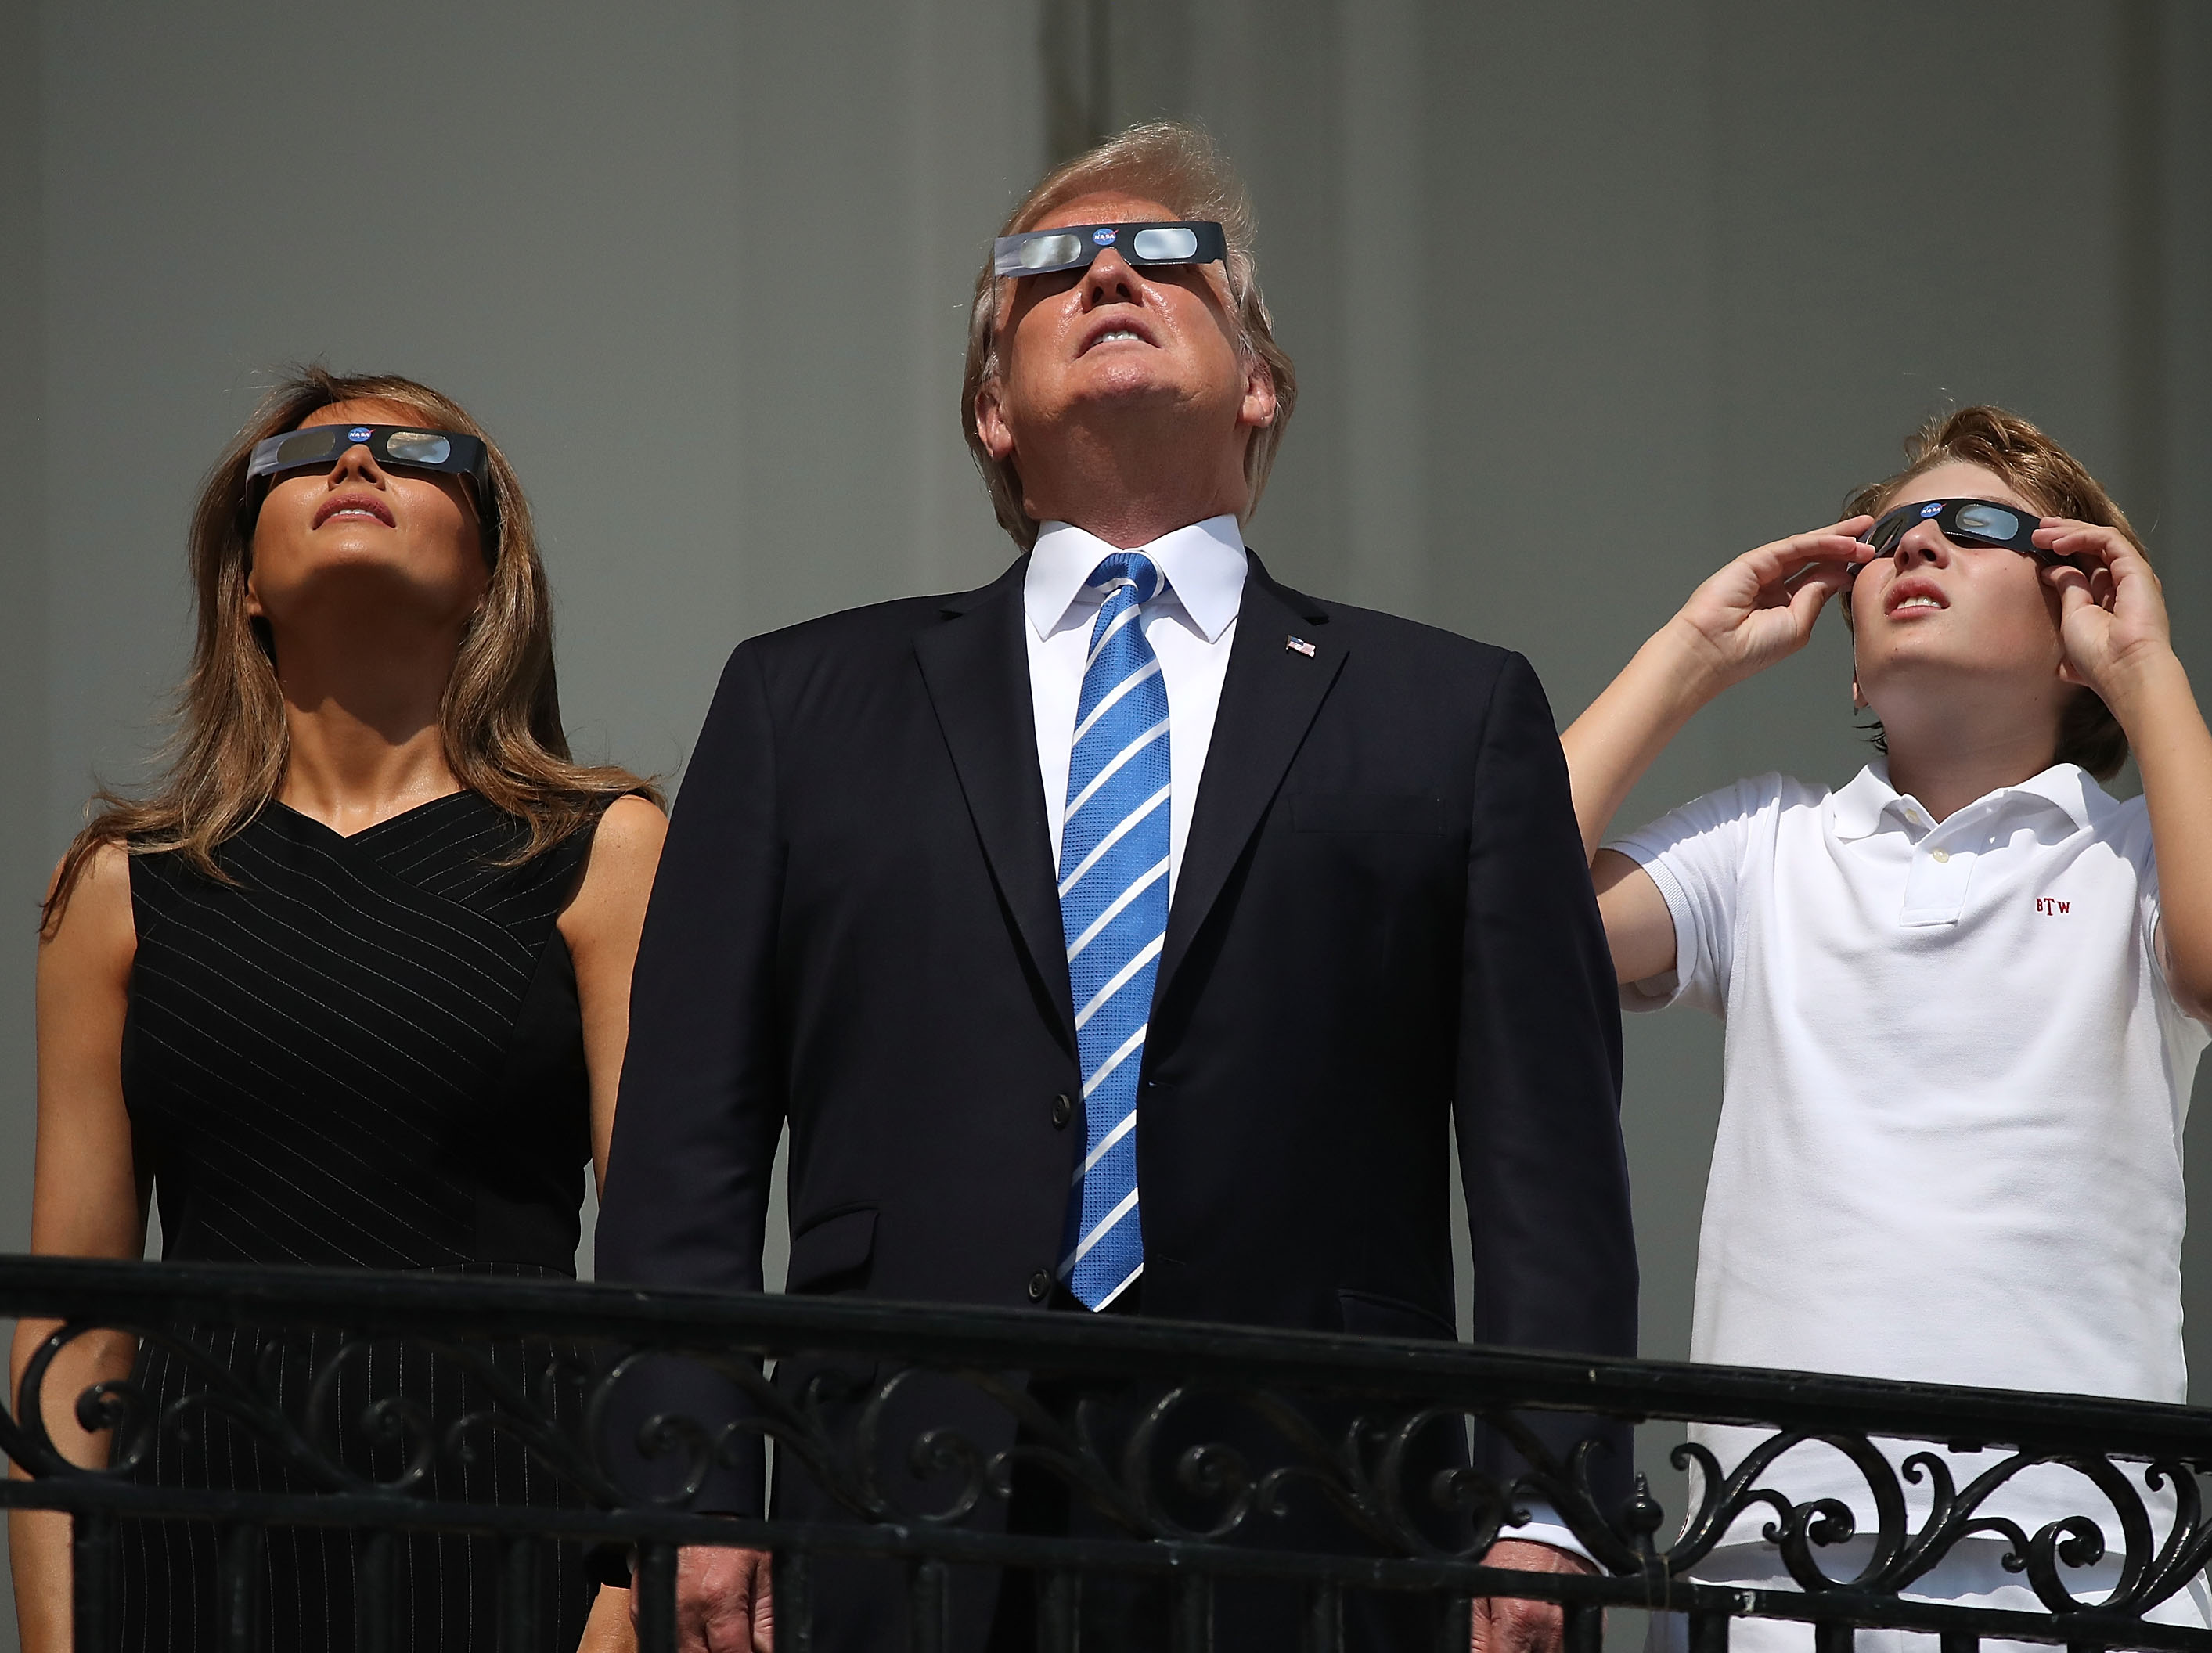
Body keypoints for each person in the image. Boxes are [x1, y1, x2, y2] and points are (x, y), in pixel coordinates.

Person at [595, 121, 1637, 1653]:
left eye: (1168, 255)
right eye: (1046, 265)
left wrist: (1544, 1504)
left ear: (1262, 379)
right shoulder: (799, 705)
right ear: (990, 408)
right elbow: (685, 1145)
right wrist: (685, 1486)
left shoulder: (1449, 714)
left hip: (1319, 1508)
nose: (1105, 272)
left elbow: (1547, 1163)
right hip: (901, 1491)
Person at [1560, 405, 2212, 1651]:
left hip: (2077, 1559)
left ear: (2075, 627)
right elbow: (1504, 915)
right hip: (1774, 1559)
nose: (1919, 549)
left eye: (1977, 530)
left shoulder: (2136, 854)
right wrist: (1691, 652)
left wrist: (2147, 669)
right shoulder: (1768, 845)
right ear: (1852, 665)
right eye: (1892, 536)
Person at [10, 368, 665, 1653]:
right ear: (245, 577)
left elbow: (660, 1278)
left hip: (506, 1537)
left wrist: (626, 1585)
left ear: (488, 569)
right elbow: (72, 1328)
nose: (356, 465)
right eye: (307, 456)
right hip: (198, 1552)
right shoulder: (118, 889)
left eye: (411, 454)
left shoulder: (602, 852)